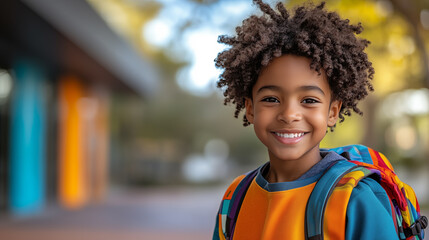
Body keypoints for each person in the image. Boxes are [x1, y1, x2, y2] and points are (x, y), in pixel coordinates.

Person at [212, 0, 407, 239]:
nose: (289, 114)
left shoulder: (354, 200)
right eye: (271, 99)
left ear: (332, 112)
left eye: (309, 100)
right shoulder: (236, 197)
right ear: (250, 109)